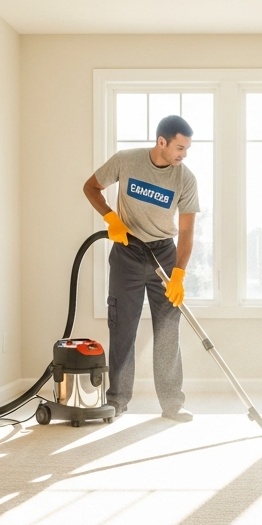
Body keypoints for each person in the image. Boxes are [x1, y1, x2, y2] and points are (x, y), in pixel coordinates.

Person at [83, 114, 199, 421]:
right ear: (162, 141)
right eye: (179, 148)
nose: (183, 155)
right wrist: (110, 217)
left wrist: (179, 273)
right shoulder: (126, 161)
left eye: (186, 149)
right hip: (127, 252)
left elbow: (186, 232)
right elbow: (91, 187)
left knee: (167, 332)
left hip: (164, 253)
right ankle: (118, 403)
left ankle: (172, 404)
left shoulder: (184, 179)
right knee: (122, 329)